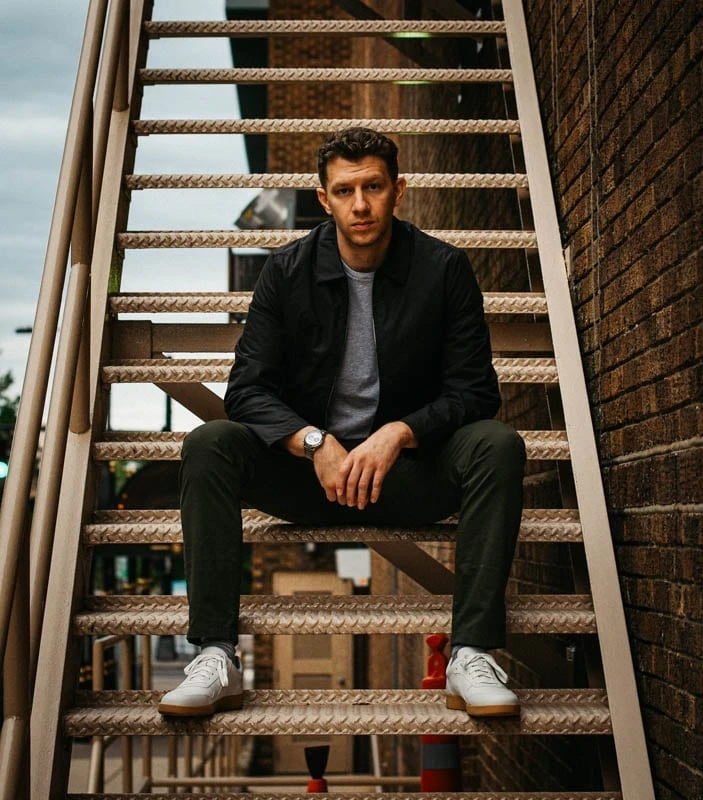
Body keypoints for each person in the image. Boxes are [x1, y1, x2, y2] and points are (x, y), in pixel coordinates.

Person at [158, 127, 526, 719]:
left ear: (398, 190)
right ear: (323, 198)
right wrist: (313, 442)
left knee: (497, 446)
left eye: (374, 187)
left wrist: (400, 432)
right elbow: (247, 391)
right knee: (209, 443)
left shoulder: (444, 269)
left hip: (407, 474)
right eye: (345, 190)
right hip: (310, 479)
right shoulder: (285, 272)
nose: (360, 204)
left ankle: (473, 652)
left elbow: (476, 392)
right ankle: (215, 654)